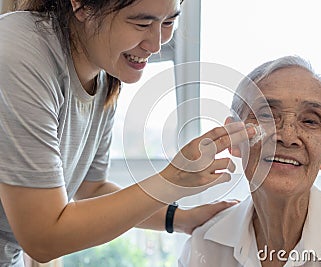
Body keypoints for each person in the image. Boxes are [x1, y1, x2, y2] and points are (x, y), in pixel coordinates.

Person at [0, 0, 257, 265]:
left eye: (168, 22)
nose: (156, 45)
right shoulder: (21, 50)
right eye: (142, 24)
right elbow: (43, 238)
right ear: (82, 6)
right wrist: (173, 180)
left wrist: (179, 219)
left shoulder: (102, 77)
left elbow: (92, 188)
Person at [179, 55, 321, 267]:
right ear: (233, 138)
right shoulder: (205, 246)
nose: (287, 136)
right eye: (266, 115)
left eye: (310, 121)